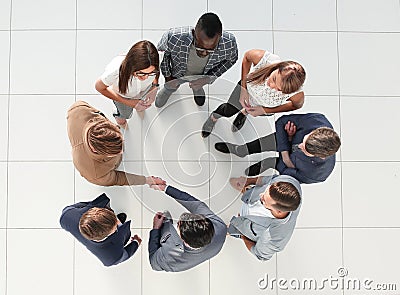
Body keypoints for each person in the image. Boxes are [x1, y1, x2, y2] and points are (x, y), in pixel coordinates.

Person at [202, 49, 306, 137]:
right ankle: (213, 118)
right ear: (278, 67)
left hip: (263, 106)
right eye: (274, 79)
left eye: (279, 89)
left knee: (249, 111)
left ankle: (244, 113)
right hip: (246, 91)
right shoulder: (265, 59)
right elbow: (247, 57)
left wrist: (264, 110)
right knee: (228, 110)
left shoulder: (296, 94)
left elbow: (296, 105)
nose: (271, 86)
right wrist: (243, 88)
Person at [214, 113, 341, 183]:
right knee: (257, 145)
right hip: (284, 140)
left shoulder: (317, 174)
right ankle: (240, 151)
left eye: (305, 150)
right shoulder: (316, 120)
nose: (300, 146)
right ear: (316, 131)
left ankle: (263, 165)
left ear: (321, 156)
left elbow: (287, 175)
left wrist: (284, 161)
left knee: (272, 162)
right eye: (304, 140)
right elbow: (282, 121)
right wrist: (287, 151)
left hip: (282, 162)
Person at [67, 100, 165, 187]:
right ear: (95, 150)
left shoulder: (78, 109)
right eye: (115, 152)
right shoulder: (95, 174)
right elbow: (117, 178)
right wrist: (146, 180)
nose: (122, 151)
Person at [155, 12, 238, 108]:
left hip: (202, 76)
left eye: (210, 50)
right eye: (200, 47)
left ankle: (197, 89)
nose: (204, 53)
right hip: (176, 74)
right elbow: (161, 55)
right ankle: (169, 89)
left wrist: (208, 78)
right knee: (170, 86)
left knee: (198, 85)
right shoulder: (173, 37)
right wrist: (168, 77)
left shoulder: (229, 43)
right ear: (194, 33)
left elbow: (232, 60)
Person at [147, 182, 227, 272]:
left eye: (179, 225)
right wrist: (166, 188)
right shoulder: (220, 226)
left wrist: (156, 229)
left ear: (182, 239)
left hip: (167, 242)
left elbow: (153, 261)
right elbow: (195, 204)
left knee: (165, 223)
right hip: (212, 250)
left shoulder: (169, 257)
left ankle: (166, 223)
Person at [227, 174, 302, 261]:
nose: (260, 195)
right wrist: (248, 181)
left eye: (263, 201)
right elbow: (268, 180)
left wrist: (244, 236)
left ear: (279, 211)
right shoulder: (289, 182)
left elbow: (259, 254)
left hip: (243, 229)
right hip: (249, 198)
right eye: (266, 190)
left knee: (223, 230)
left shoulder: (274, 239)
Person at [60, 193, 142, 267]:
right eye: (115, 225)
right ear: (108, 233)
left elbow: (77, 206)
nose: (118, 221)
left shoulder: (66, 217)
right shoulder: (111, 256)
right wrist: (136, 242)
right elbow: (125, 255)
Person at [95, 40, 160, 127]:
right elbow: (99, 87)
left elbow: (157, 72)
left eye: (150, 73)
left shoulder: (157, 59)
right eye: (141, 73)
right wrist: (130, 103)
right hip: (123, 96)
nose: (145, 78)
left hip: (144, 90)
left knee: (141, 106)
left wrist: (154, 87)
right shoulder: (115, 71)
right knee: (124, 115)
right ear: (131, 66)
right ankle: (117, 114)